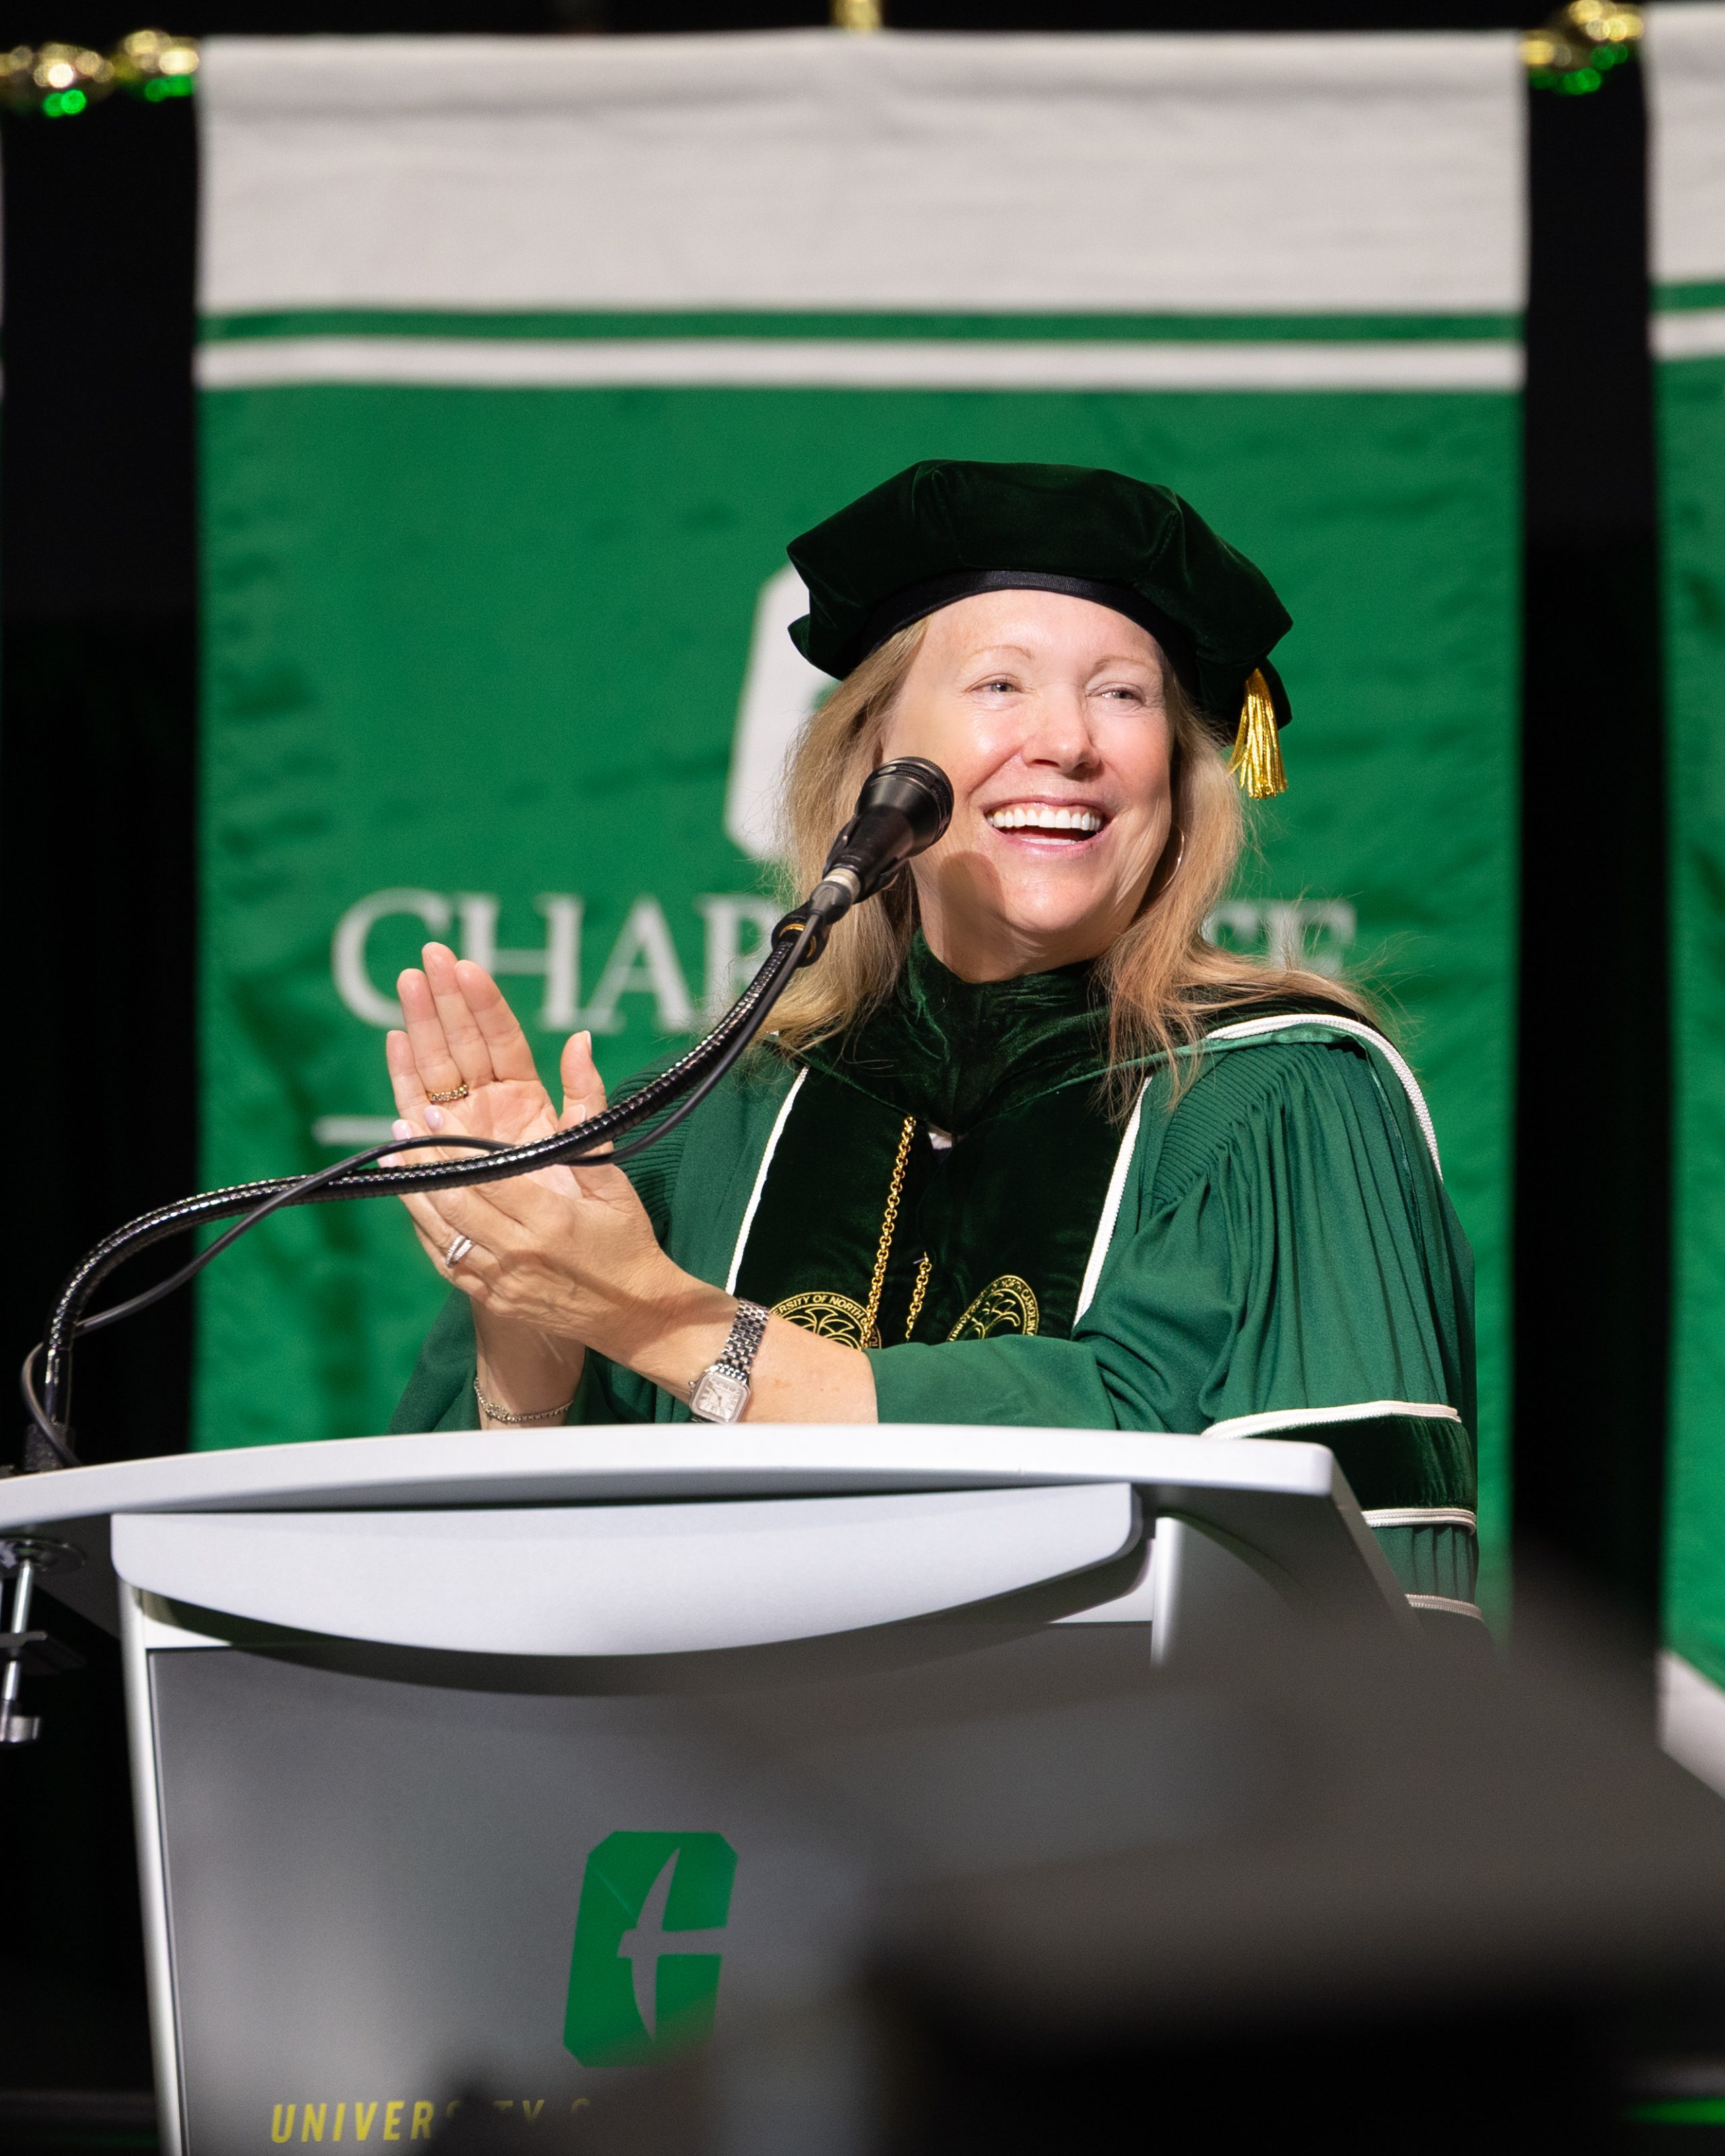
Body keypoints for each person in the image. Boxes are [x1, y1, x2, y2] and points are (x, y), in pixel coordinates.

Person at [387, 460, 1476, 1610]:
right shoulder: (720, 1119)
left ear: (1179, 778)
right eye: (1000, 684)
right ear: (874, 764)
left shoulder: (1278, 1103)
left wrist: (654, 1316)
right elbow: (482, 1601)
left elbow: (1179, 1452)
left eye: (1123, 695)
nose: (1067, 742)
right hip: (733, 1786)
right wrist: (527, 1309)